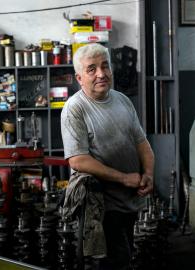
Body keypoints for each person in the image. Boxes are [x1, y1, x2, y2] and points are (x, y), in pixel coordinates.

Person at [60, 43, 154, 270]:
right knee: (115, 261)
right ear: (79, 78)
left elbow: (142, 142)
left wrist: (148, 173)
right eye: (92, 69)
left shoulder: (123, 100)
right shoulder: (75, 109)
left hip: (130, 200)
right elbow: (78, 160)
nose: (101, 74)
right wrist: (123, 178)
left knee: (125, 254)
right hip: (101, 207)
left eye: (105, 66)